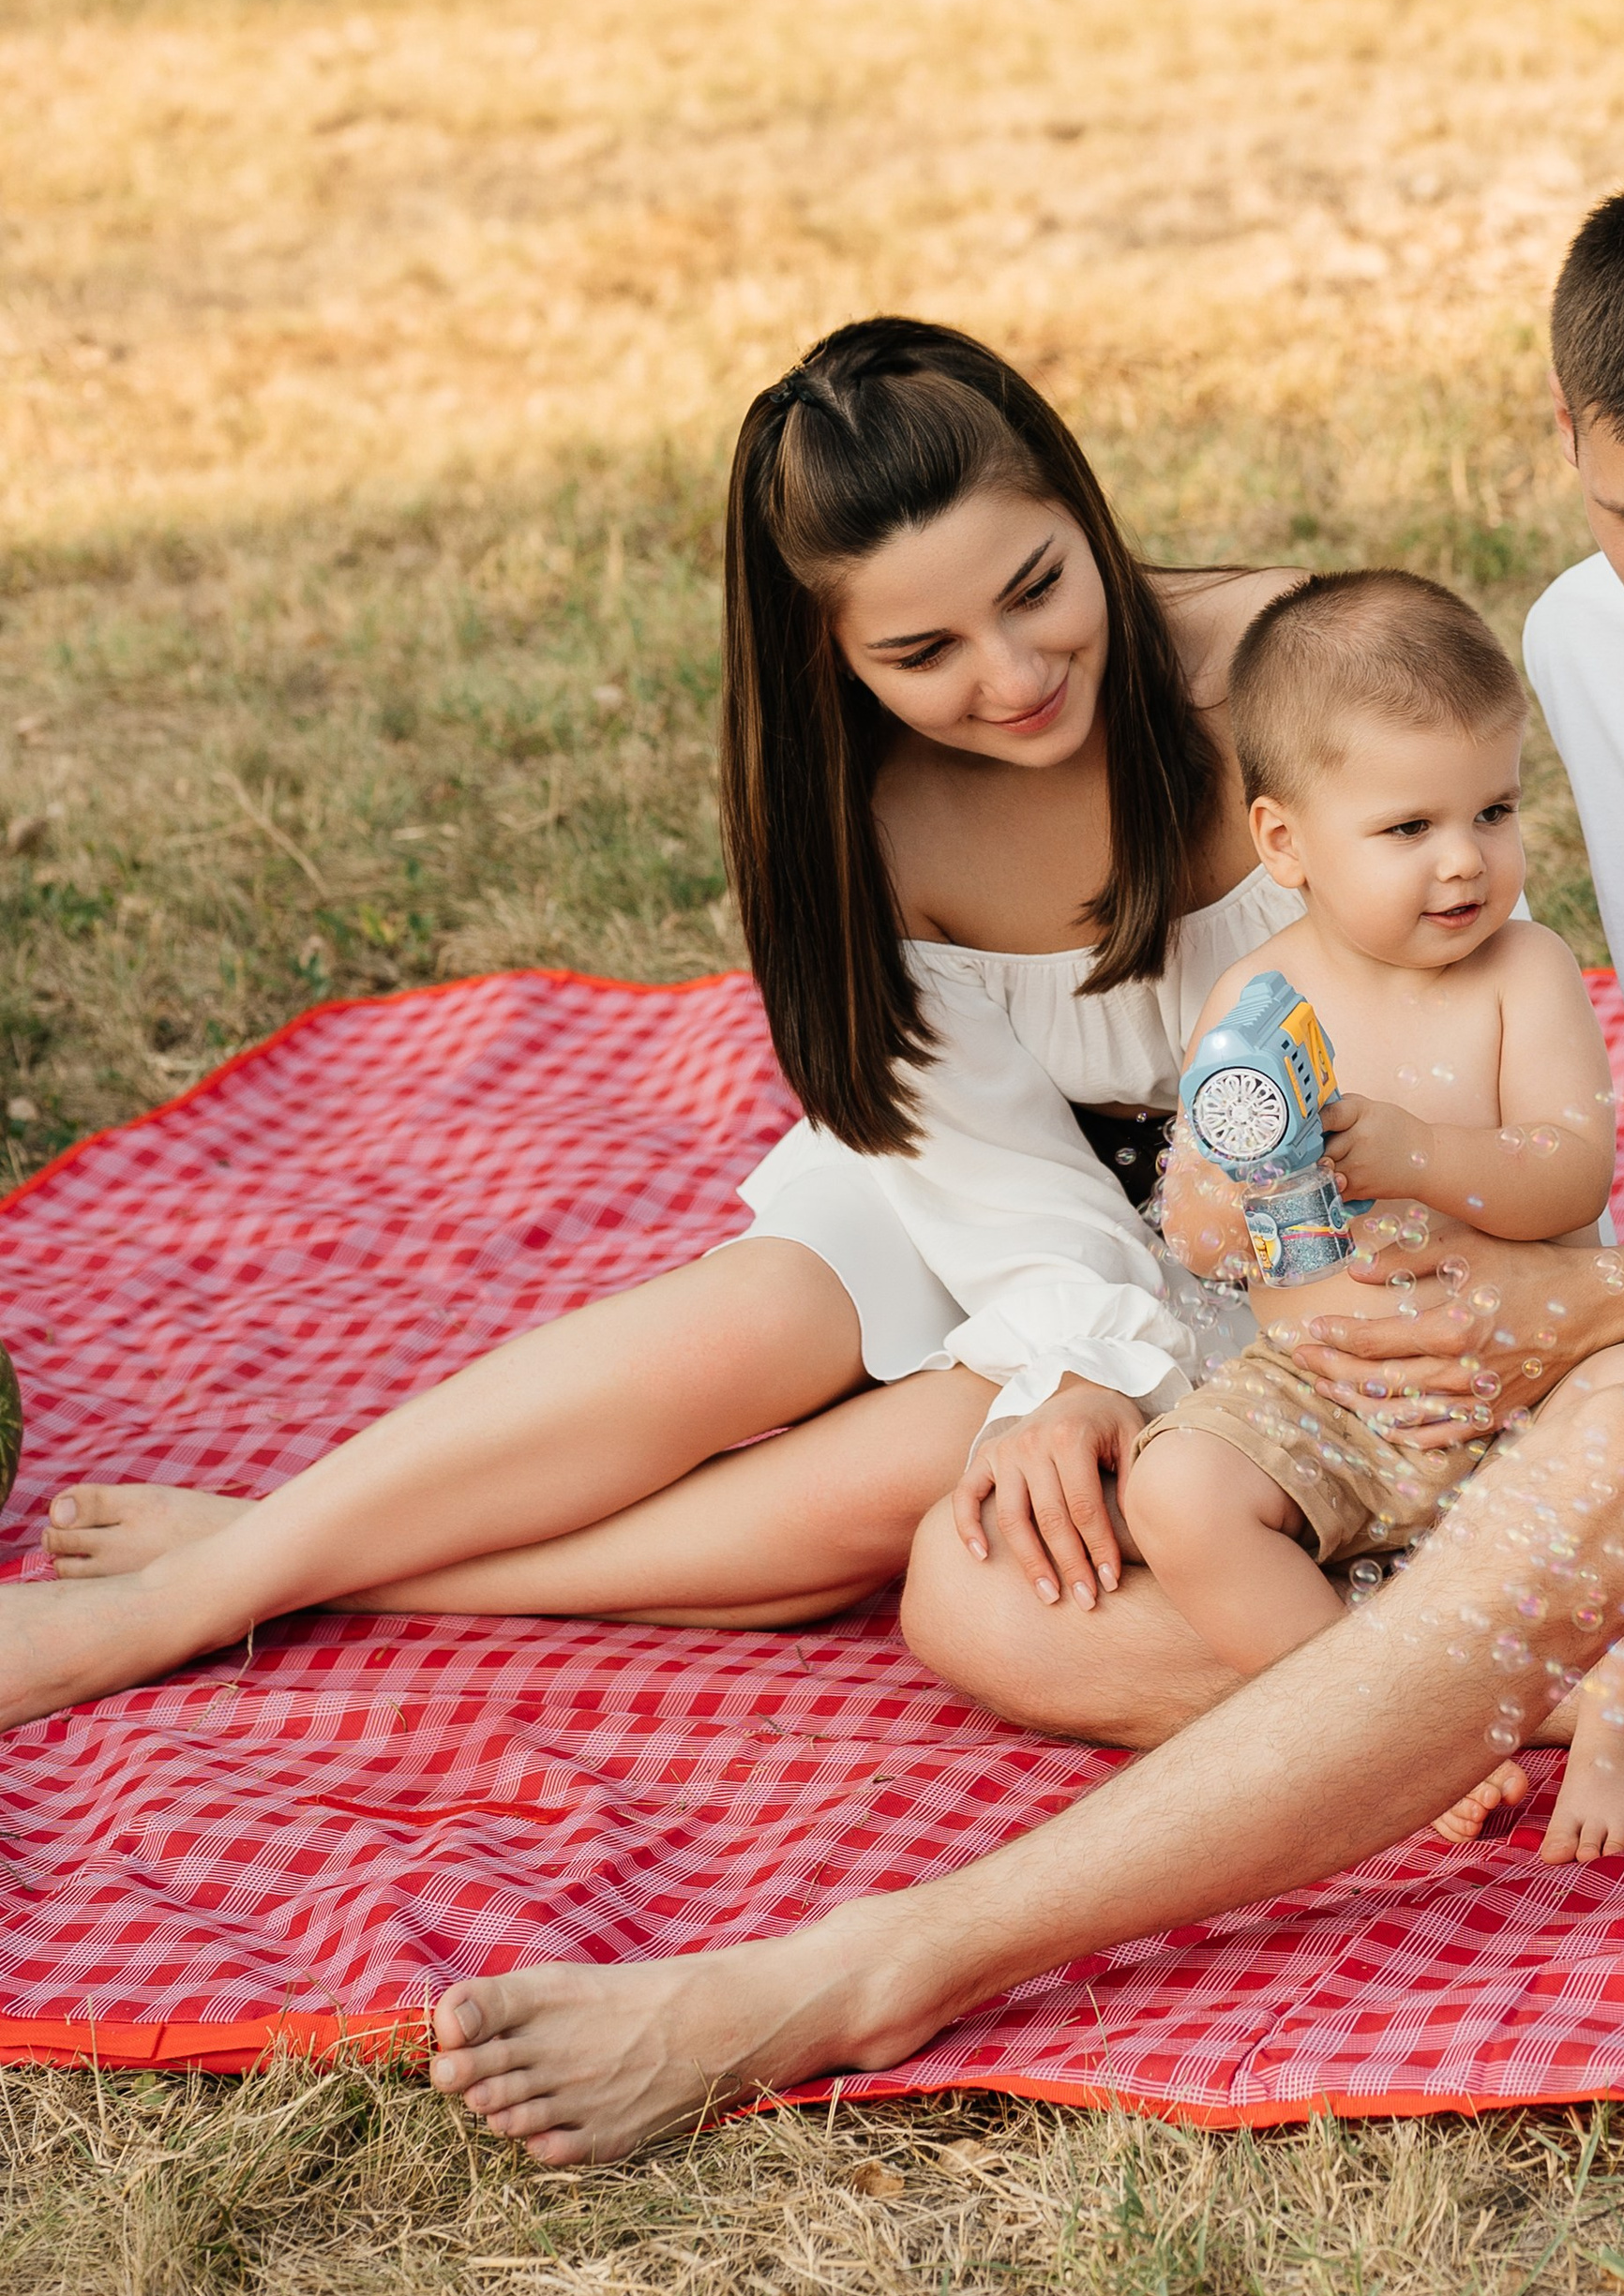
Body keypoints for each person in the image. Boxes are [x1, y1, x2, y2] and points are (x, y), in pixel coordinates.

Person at [408, 164, 1624, 2166]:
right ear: (1561, 445)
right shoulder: (1569, 642)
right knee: (986, 1585)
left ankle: (853, 1972)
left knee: (1604, 1460)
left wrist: (1590, 1300)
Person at [7, 318, 1308, 1729]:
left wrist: (1079, 1379)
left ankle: (287, 1570)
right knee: (753, 1319)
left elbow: (1442, 962)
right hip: (999, 1186)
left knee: (928, 1453)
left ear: (1077, 505)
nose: (1011, 676)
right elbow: (995, 1184)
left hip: (1275, 1224)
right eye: (924, 650)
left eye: (1036, 589)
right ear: (836, 659)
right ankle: (180, 1602)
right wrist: (1071, 1360)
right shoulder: (862, 819)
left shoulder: (1290, 664)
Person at [1118, 566, 1624, 1863]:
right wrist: (1238, 1193)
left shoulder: (1525, 971)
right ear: (1286, 845)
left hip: (1517, 1374)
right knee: (1178, 1494)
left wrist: (1421, 1152)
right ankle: (1373, 1721)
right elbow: (1204, 1238)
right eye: (1407, 829)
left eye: (1493, 809)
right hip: (1327, 1384)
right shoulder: (1254, 1000)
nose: (1464, 860)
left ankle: (1618, 1723)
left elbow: (1571, 1175)